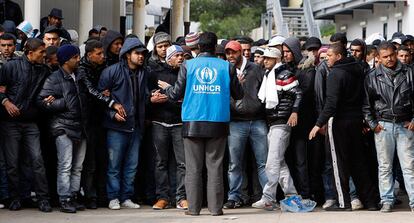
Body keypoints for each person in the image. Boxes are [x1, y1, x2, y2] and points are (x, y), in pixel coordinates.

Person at [158, 32, 243, 216]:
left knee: (193, 168)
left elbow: (174, 94)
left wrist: (167, 88)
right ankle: (215, 209)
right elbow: (239, 94)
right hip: (218, 121)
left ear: (197, 47)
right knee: (215, 167)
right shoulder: (226, 67)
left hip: (193, 121)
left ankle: (194, 209)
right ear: (215, 47)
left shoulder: (188, 65)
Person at [309, 43, 379, 211]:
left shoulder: (336, 74)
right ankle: (370, 202)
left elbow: (331, 103)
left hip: (339, 122)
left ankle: (343, 203)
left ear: (339, 56)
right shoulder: (359, 70)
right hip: (356, 121)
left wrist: (318, 124)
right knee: (359, 162)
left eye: (329, 56)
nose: (326, 60)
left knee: (338, 163)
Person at [0, 38, 52, 212]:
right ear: (31, 53)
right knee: (12, 163)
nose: (44, 55)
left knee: (37, 160)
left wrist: (49, 97)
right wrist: (6, 102)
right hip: (10, 123)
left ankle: (42, 199)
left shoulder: (44, 70)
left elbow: (48, 90)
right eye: (41, 52)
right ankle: (15, 198)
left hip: (31, 123)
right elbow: (0, 89)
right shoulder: (10, 67)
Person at [363, 41, 414, 213]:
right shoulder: (372, 76)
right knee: (384, 166)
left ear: (396, 53)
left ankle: (413, 201)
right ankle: (386, 200)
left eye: (392, 55)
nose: (389, 59)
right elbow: (366, 105)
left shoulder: (409, 72)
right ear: (378, 58)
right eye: (385, 57)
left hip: (405, 125)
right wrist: (373, 125)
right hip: (383, 125)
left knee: (409, 166)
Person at [98, 37, 148, 210]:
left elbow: (144, 98)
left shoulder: (143, 72)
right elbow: (100, 98)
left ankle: (126, 197)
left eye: (142, 53)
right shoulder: (111, 72)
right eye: (137, 53)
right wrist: (112, 114)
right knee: (114, 165)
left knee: (131, 166)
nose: (141, 56)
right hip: (116, 127)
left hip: (136, 126)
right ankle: (113, 197)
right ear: (127, 55)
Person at [37, 45, 88, 213]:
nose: (79, 59)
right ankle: (64, 198)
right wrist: (63, 103)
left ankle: (73, 196)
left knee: (77, 166)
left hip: (80, 127)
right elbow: (42, 102)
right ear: (66, 60)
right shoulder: (53, 79)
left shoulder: (80, 76)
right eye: (75, 57)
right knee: (65, 165)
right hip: (63, 127)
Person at [253, 47, 302, 210]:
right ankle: (292, 196)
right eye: (264, 58)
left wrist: (294, 112)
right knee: (279, 163)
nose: (264, 60)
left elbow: (298, 93)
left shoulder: (284, 75)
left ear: (276, 59)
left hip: (281, 122)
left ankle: (268, 197)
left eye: (268, 58)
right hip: (273, 122)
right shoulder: (270, 75)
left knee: (272, 162)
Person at [222, 40, 268, 209]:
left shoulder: (256, 69)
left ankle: (268, 197)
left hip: (257, 121)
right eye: (228, 53)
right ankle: (234, 197)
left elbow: (264, 92)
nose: (230, 56)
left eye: (233, 52)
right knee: (234, 164)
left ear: (241, 52)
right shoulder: (225, 69)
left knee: (263, 162)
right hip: (235, 122)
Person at [148, 45, 188, 210]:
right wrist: (152, 97)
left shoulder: (185, 73)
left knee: (182, 163)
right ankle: (163, 197)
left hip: (179, 123)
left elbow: (185, 98)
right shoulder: (155, 73)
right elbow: (148, 93)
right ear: (168, 57)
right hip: (159, 123)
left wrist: (170, 97)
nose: (180, 58)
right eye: (177, 55)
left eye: (182, 55)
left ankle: (181, 197)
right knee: (160, 162)